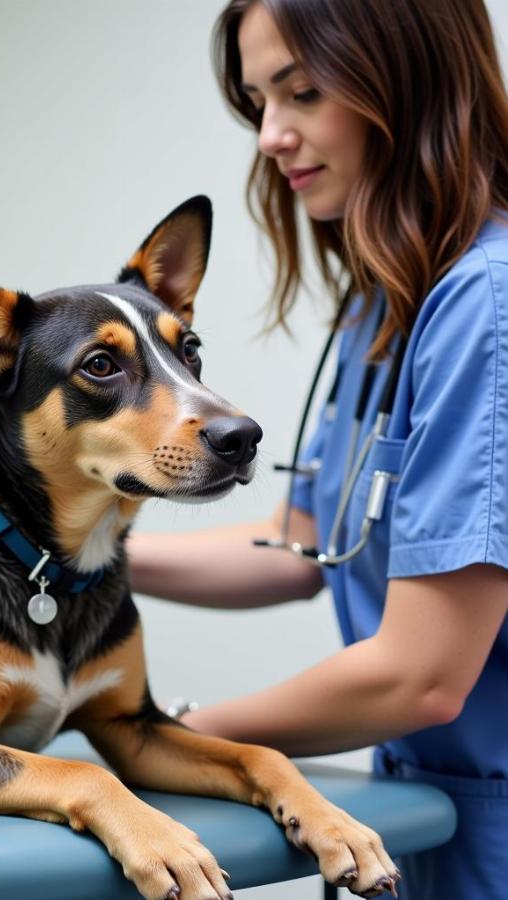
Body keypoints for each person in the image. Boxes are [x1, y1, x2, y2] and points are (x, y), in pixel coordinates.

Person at [126, 1, 508, 897]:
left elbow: (421, 678)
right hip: (434, 815)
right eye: (259, 101)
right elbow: (302, 542)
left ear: (414, 84)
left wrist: (165, 739)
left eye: (301, 92)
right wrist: (86, 553)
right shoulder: (388, 301)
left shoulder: (487, 307)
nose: (270, 136)